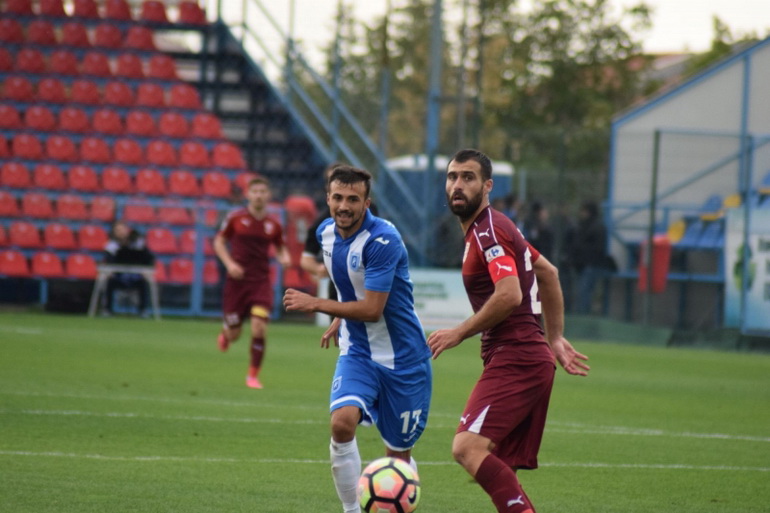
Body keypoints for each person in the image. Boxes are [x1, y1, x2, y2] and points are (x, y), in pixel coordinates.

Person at [427, 149, 590, 513]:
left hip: (516, 354)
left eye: (467, 177)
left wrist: (458, 332)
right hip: (526, 354)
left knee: (466, 448)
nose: (457, 184)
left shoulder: (488, 231)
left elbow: (510, 293)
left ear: (487, 186)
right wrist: (555, 337)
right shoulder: (494, 225)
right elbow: (548, 273)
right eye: (452, 176)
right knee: (493, 460)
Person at [283, 165, 432, 513]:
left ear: (367, 202)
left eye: (353, 199)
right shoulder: (325, 234)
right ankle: (352, 510)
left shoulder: (383, 240)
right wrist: (339, 316)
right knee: (341, 422)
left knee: (397, 454)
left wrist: (317, 303)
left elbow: (373, 309)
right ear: (328, 198)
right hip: (360, 351)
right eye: (337, 197)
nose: (344, 206)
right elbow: (353, 286)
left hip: (404, 358)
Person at [213, 175, 291, 389]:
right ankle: (226, 334)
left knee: (259, 328)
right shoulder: (235, 218)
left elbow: (280, 246)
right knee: (234, 334)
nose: (258, 196)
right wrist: (229, 264)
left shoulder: (273, 224)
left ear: (268, 196)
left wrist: (283, 256)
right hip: (236, 282)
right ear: (248, 194)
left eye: (262, 192)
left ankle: (253, 376)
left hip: (260, 282)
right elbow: (219, 241)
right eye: (254, 192)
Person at [103, 220, 154, 316]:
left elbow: (148, 259)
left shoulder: (137, 242)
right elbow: (109, 262)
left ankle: (143, 310)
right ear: (114, 232)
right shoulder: (111, 245)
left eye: (122, 229)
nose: (121, 232)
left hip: (135, 276)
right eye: (117, 230)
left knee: (143, 283)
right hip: (118, 277)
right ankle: (107, 310)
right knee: (109, 282)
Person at [571, 200, 608, 314]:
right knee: (582, 292)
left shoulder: (597, 227)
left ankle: (583, 314)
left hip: (591, 265)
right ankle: (582, 312)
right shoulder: (584, 225)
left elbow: (598, 248)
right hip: (583, 265)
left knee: (585, 292)